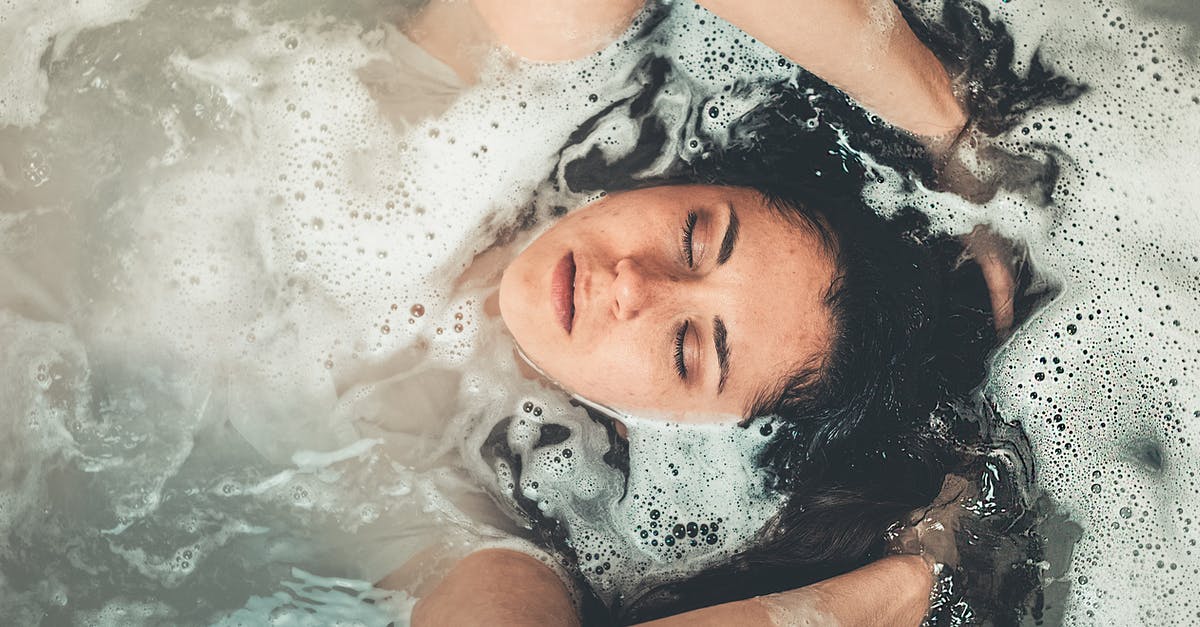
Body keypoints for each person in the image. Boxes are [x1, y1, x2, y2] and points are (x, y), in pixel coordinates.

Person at [362, 0, 1037, 624]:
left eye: (686, 349)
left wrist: (911, 579)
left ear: (669, 437)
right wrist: (951, 128)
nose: (633, 285)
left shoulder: (476, 528)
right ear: (686, 174)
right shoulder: (468, 95)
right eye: (694, 237)